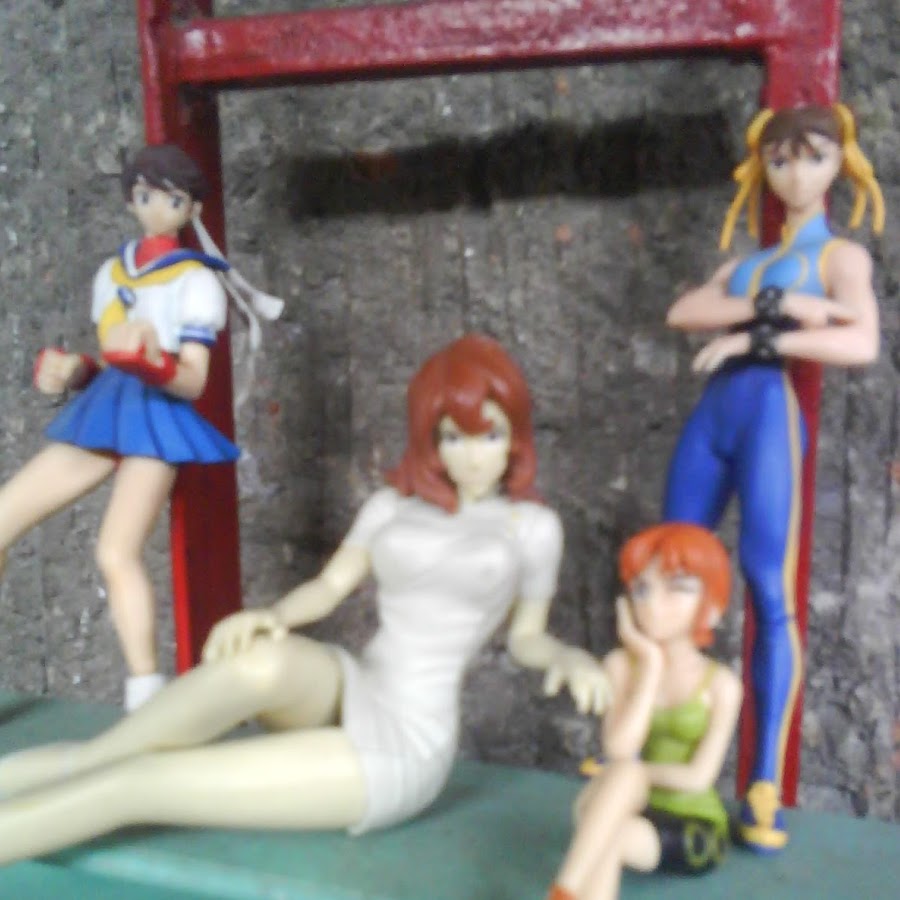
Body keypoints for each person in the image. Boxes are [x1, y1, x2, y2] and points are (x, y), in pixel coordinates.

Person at [0, 333, 609, 863]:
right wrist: (270, 615)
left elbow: (527, 636)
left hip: (407, 737)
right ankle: (81, 761)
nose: (471, 456)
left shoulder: (531, 528)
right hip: (351, 685)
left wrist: (568, 658)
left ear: (514, 436)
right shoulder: (392, 507)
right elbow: (330, 587)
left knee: (137, 783)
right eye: (453, 437)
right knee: (242, 672)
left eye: (489, 435)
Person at [661, 104, 883, 851]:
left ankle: (762, 783)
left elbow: (860, 341)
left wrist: (750, 340)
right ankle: (663, 756)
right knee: (672, 568)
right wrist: (780, 306)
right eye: (780, 160)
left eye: (813, 157)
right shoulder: (750, 264)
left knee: (767, 586)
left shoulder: (841, 257)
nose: (795, 174)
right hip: (716, 417)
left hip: (767, 415)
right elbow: (685, 310)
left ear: (841, 164)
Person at [0, 144, 280, 711]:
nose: (155, 209)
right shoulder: (112, 273)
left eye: (171, 200)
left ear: (191, 209)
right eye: (145, 195)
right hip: (105, 411)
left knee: (115, 551)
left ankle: (145, 692)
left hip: (158, 421)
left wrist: (153, 361)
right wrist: (74, 370)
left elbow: (193, 381)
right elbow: (107, 361)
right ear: (131, 199)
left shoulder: (196, 282)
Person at [547, 523, 742, 900]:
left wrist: (632, 775)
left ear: (711, 605)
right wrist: (650, 666)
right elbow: (619, 749)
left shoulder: (722, 686)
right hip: (626, 804)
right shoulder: (621, 666)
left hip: (692, 824)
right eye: (641, 589)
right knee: (607, 810)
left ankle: (562, 891)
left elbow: (698, 778)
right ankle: (563, 893)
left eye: (677, 588)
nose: (652, 603)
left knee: (607, 826)